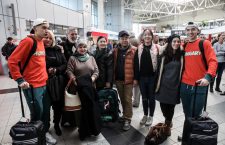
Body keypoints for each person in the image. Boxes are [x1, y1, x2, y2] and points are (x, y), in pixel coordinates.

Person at [8, 18, 57, 145]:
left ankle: (43, 131)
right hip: (32, 86)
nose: (47, 30)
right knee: (37, 113)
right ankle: (37, 135)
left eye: (47, 27)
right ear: (35, 28)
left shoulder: (41, 42)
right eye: (44, 27)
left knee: (46, 111)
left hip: (43, 83)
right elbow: (12, 61)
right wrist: (19, 79)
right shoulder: (28, 41)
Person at [178, 22, 217, 140]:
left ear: (198, 30)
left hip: (199, 85)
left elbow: (213, 61)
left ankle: (191, 135)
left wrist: (208, 77)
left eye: (193, 29)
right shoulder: (184, 46)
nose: (190, 32)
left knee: (194, 114)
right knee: (186, 113)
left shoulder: (204, 43)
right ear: (185, 31)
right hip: (184, 85)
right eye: (188, 30)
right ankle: (187, 134)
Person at [66, 41, 101, 140]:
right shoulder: (73, 58)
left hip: (90, 88)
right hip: (78, 89)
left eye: (84, 47)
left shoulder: (91, 58)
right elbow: (69, 71)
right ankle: (82, 130)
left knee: (90, 109)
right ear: (76, 48)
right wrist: (74, 80)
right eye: (80, 47)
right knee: (79, 111)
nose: (83, 49)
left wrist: (92, 78)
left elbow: (96, 71)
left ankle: (91, 129)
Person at [155, 34, 184, 136]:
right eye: (174, 41)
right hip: (163, 85)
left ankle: (167, 125)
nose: (176, 43)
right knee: (163, 106)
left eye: (178, 41)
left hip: (175, 86)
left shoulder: (181, 55)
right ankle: (168, 121)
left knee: (171, 108)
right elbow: (159, 70)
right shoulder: (164, 54)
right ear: (170, 42)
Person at [133, 28, 159, 126]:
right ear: (143, 37)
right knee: (144, 97)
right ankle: (145, 114)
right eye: (145, 35)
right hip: (142, 78)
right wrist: (136, 78)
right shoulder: (139, 48)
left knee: (152, 98)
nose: (147, 36)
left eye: (149, 35)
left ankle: (151, 116)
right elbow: (136, 64)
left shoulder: (156, 47)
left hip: (152, 77)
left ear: (152, 37)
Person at [44, 30, 67, 136]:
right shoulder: (39, 50)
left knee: (58, 106)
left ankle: (56, 124)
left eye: (50, 38)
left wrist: (56, 70)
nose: (47, 40)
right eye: (45, 37)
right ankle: (45, 127)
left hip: (58, 82)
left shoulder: (58, 49)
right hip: (45, 83)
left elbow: (64, 64)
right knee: (46, 107)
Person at [114, 30, 136, 131]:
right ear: (119, 40)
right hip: (118, 79)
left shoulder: (134, 50)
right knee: (122, 99)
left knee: (128, 99)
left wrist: (136, 78)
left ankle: (128, 118)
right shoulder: (115, 50)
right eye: (122, 38)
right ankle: (124, 115)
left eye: (126, 38)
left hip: (129, 80)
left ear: (129, 39)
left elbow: (137, 66)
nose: (124, 40)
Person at [129, 35, 141, 108]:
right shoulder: (137, 41)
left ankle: (131, 100)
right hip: (137, 70)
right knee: (137, 88)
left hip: (131, 69)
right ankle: (136, 102)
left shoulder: (130, 44)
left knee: (131, 87)